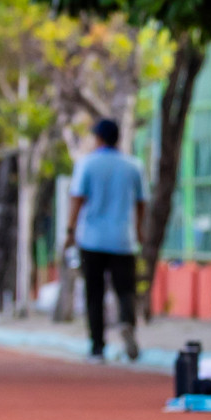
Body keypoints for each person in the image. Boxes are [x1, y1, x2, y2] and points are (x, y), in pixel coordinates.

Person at [65, 118, 147, 362]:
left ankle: (97, 347)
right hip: (123, 239)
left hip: (92, 239)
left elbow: (77, 198)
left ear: (99, 139)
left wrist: (70, 231)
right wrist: (139, 229)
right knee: (125, 290)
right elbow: (141, 201)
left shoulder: (87, 164)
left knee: (94, 293)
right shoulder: (133, 165)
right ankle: (126, 322)